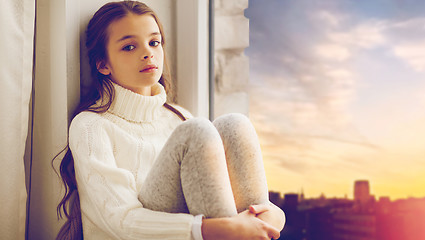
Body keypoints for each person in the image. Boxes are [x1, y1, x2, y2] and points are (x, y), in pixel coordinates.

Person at [55, 1, 285, 239]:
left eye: (154, 42)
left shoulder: (178, 117)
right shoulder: (91, 126)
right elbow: (121, 220)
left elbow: (259, 208)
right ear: (103, 64)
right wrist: (217, 229)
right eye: (129, 47)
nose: (148, 53)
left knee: (234, 125)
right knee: (196, 131)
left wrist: (270, 217)